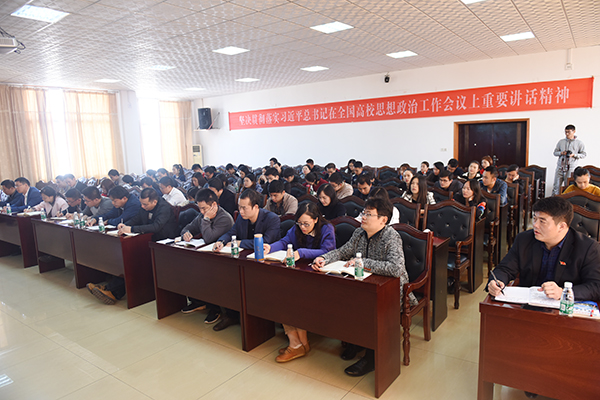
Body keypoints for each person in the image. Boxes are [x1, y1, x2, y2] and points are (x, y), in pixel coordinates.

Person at [312, 198, 415, 377]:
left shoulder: (391, 237)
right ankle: (356, 341)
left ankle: (371, 357)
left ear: (383, 219)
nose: (363, 217)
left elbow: (396, 268)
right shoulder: (359, 233)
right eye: (363, 213)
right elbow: (343, 251)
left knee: (370, 307)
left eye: (369, 214)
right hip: (365, 284)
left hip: (391, 289)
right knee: (344, 299)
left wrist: (363, 263)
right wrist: (325, 258)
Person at [487, 196, 600, 302]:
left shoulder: (588, 248)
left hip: (564, 308)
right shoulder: (524, 239)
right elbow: (505, 268)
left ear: (562, 226)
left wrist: (563, 292)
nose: (535, 225)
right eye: (535, 219)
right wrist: (496, 281)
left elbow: (596, 286)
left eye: (542, 221)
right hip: (527, 305)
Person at [263, 202, 336, 362]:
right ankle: (299, 343)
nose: (302, 227)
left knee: (291, 297)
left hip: (319, 278)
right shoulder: (296, 228)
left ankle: (297, 344)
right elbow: (284, 242)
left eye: (306, 224)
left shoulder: (326, 229)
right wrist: (270, 248)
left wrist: (301, 252)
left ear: (316, 220)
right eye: (300, 223)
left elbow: (328, 251)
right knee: (281, 293)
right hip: (300, 275)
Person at [87, 188, 178, 305]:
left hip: (163, 242)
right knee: (128, 257)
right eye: (141, 204)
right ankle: (110, 289)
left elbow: (156, 226)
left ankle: (112, 290)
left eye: (145, 204)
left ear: (154, 202)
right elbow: (137, 218)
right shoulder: (145, 206)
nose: (142, 207)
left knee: (134, 259)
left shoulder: (163, 208)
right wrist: (125, 225)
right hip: (147, 238)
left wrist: (132, 229)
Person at [212, 189, 281, 331]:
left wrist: (240, 243)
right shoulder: (241, 218)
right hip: (244, 260)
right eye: (239, 207)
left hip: (265, 263)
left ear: (255, 207)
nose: (241, 211)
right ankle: (232, 314)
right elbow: (231, 233)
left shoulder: (272, 218)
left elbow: (266, 242)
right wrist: (221, 241)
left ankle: (259, 318)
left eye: (244, 208)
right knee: (225, 276)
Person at [179, 189, 234, 323]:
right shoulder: (202, 215)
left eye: (204, 208)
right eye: (200, 208)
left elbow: (209, 238)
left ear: (214, 205)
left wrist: (206, 219)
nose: (202, 212)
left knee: (207, 273)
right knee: (185, 266)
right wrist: (185, 233)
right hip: (206, 255)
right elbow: (187, 228)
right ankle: (199, 301)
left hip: (223, 260)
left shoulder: (225, 218)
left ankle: (215, 308)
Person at [553, 124, 586, 195]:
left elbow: (584, 154)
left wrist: (574, 155)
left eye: (569, 132)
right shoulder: (561, 142)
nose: (567, 134)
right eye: (566, 132)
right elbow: (555, 153)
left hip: (571, 168)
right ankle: (554, 200)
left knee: (568, 187)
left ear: (574, 131)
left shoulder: (579, 143)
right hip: (560, 167)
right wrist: (561, 153)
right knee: (556, 186)